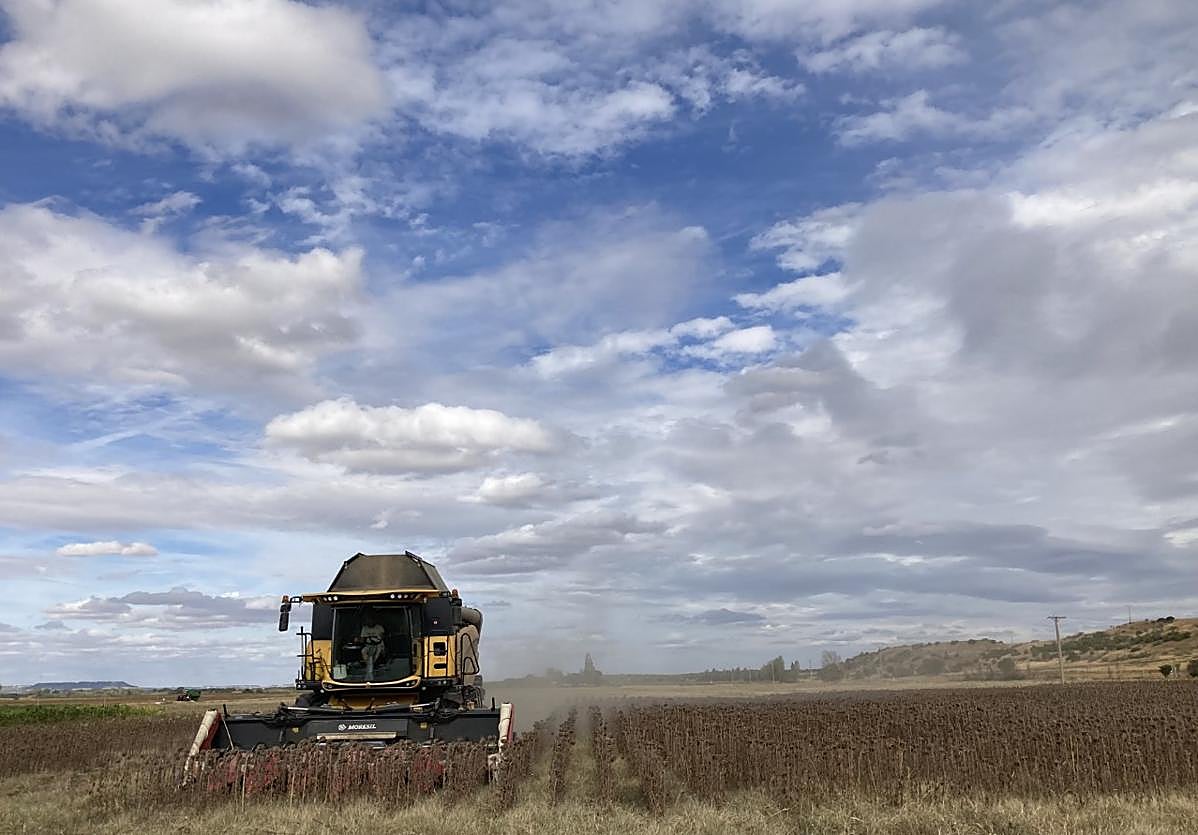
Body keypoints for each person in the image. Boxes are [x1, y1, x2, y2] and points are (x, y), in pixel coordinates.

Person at [358, 608, 386, 679]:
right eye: (368, 620)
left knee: (378, 653)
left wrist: (375, 639)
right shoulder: (364, 628)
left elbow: (382, 637)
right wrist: (359, 639)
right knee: (363, 651)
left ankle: (372, 666)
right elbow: (362, 639)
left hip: (379, 645)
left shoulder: (379, 627)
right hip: (368, 645)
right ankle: (369, 666)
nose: (370, 622)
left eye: (371, 620)